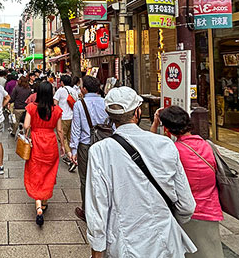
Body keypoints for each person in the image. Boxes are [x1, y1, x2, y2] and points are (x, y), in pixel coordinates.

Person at [86, 86, 196, 258]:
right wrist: (169, 220)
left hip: (125, 246)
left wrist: (97, 251)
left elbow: (97, 207)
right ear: (137, 113)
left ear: (111, 117)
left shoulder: (100, 150)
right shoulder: (165, 145)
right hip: (166, 243)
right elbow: (187, 205)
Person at [152, 106, 224, 258]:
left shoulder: (172, 150)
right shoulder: (208, 146)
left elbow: (148, 149)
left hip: (186, 212)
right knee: (210, 251)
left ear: (168, 129)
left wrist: (155, 123)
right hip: (210, 209)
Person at [23, 81, 64, 226]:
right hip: (51, 143)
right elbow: (59, 130)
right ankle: (44, 201)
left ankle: (38, 205)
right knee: (48, 173)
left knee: (36, 172)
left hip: (36, 142)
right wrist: (63, 145)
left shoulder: (31, 108)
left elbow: (26, 125)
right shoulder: (57, 110)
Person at [69, 76, 108, 222]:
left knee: (85, 178)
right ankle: (104, 208)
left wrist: (73, 149)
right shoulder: (106, 103)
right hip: (104, 144)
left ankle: (87, 210)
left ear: (84, 88)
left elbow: (76, 129)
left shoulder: (80, 104)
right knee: (104, 176)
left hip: (85, 146)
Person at [53, 75, 77, 173]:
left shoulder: (60, 90)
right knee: (70, 137)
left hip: (63, 117)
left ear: (62, 82)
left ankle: (71, 158)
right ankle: (72, 154)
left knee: (62, 138)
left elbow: (55, 104)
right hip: (73, 117)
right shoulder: (74, 90)